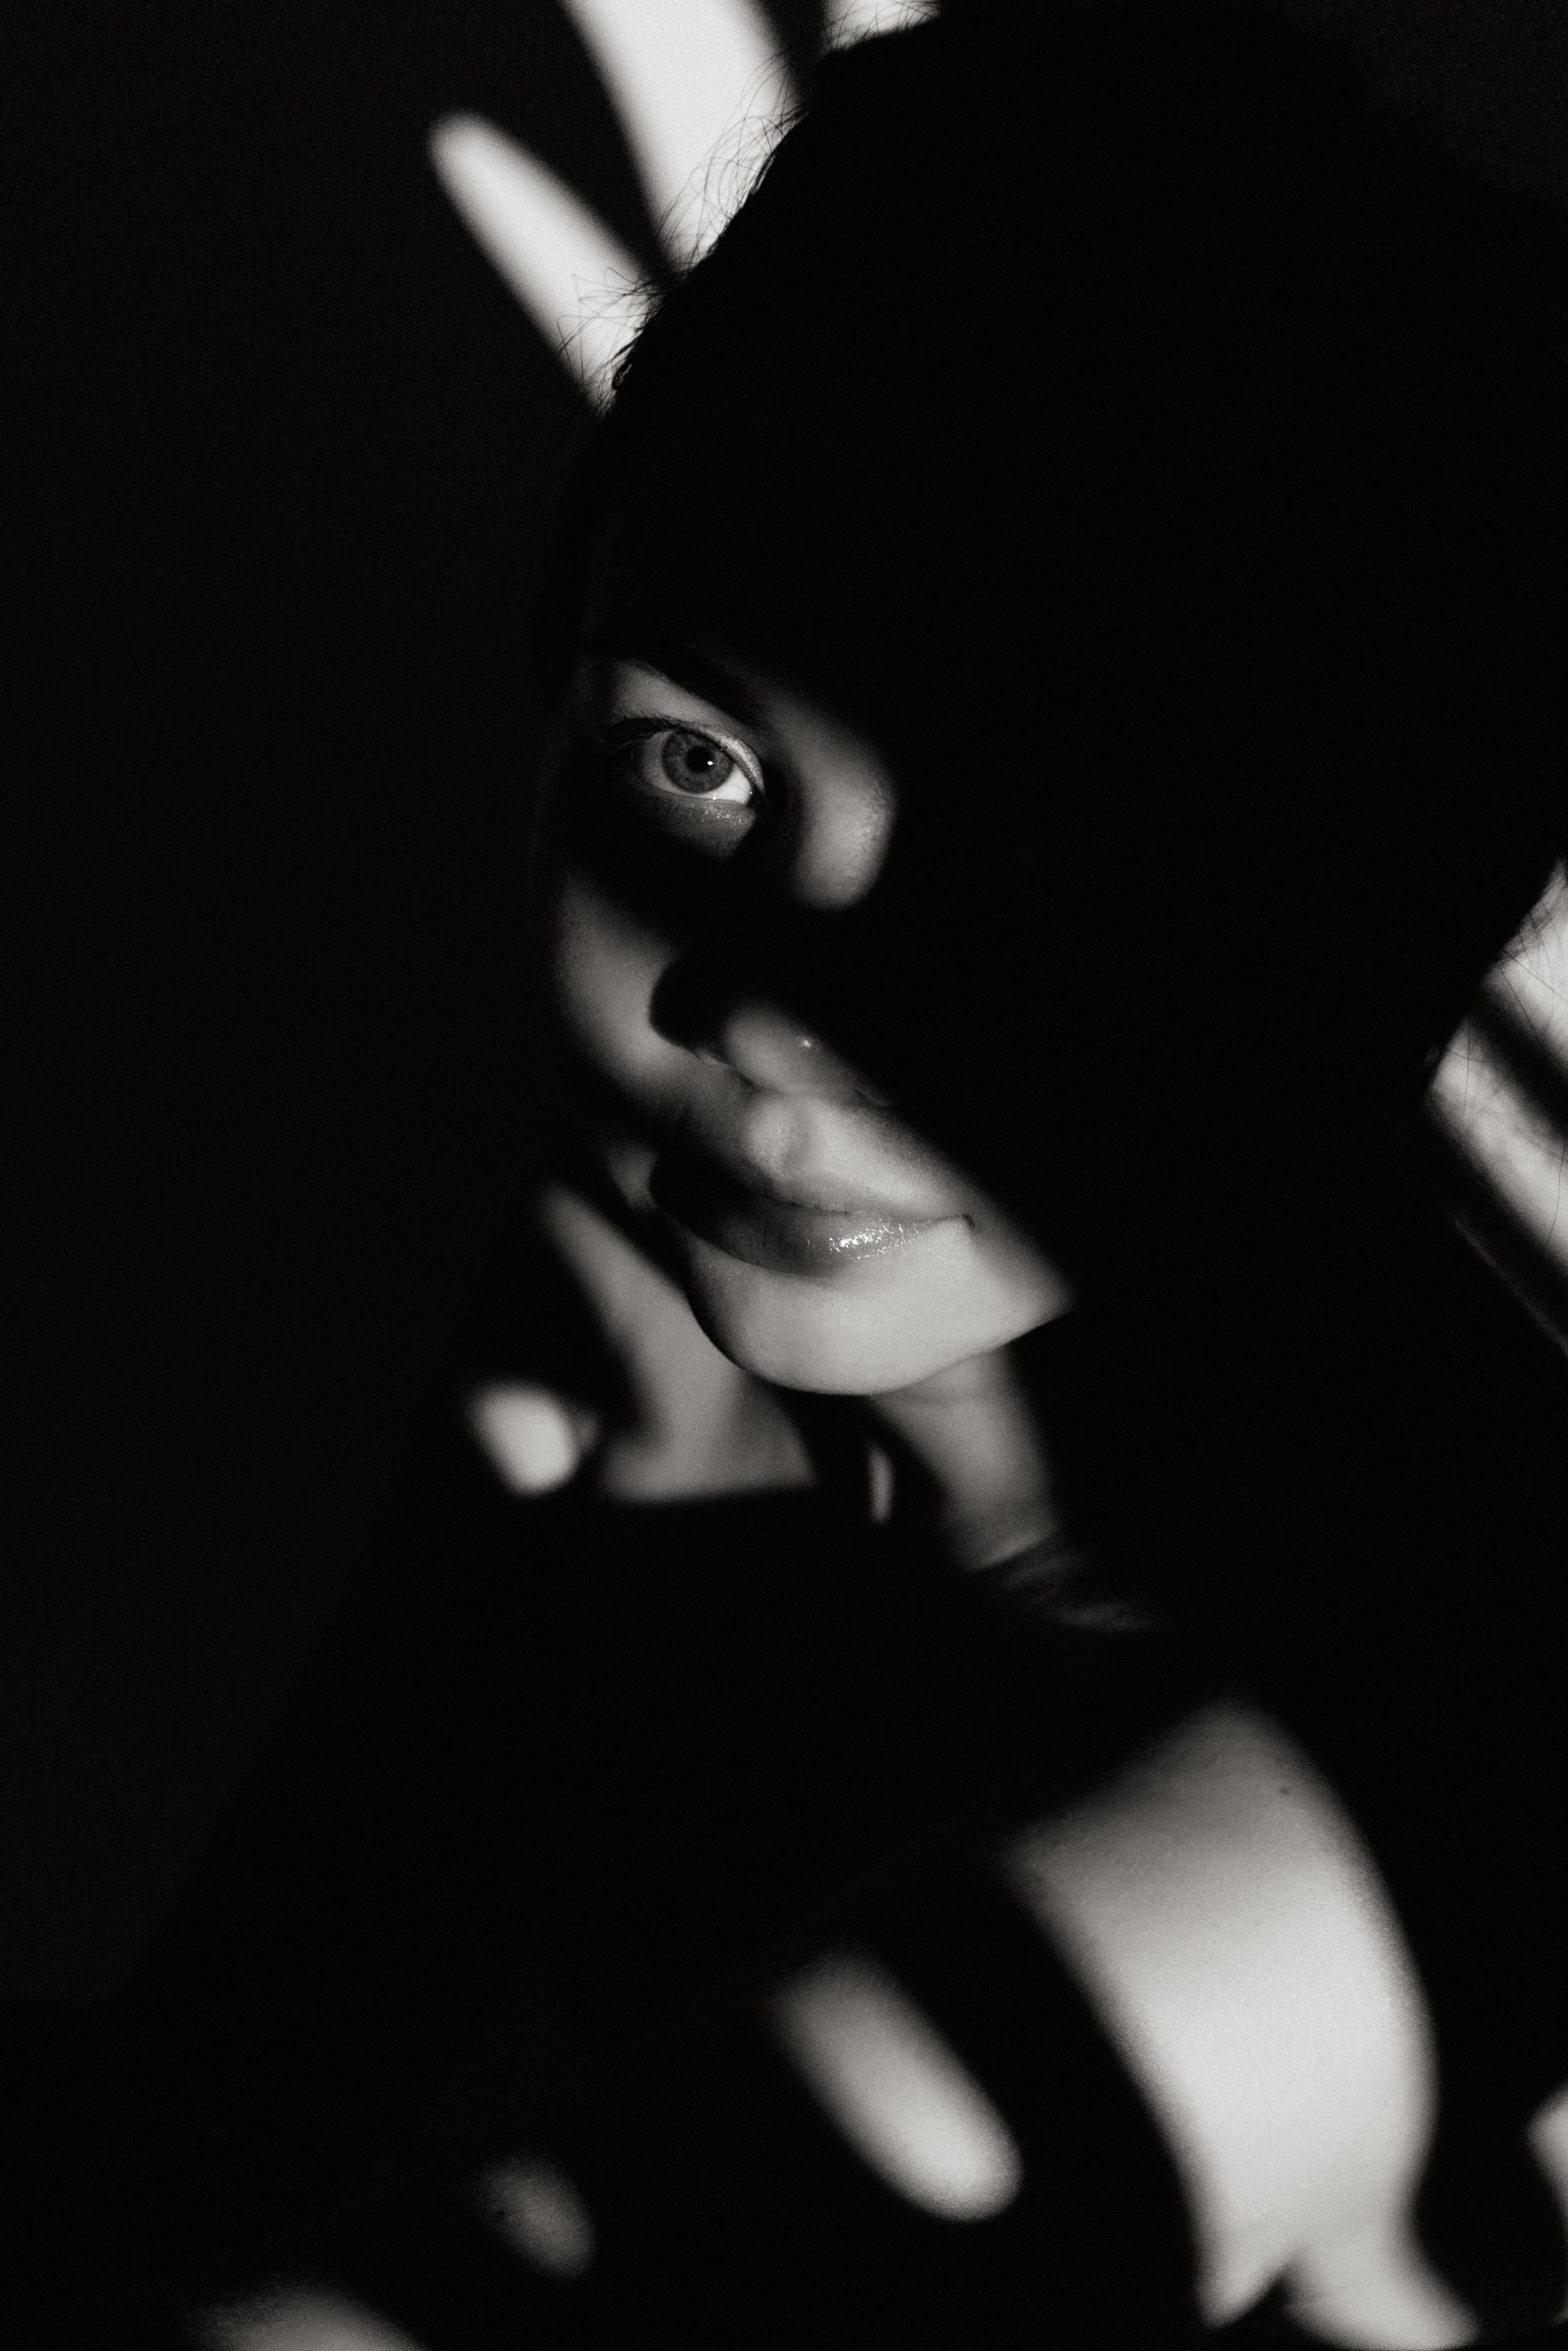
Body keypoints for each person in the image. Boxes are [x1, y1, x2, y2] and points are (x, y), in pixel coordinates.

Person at [6, 3, 1568, 2344]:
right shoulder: (644, 1304)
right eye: (697, 763)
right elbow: (233, 2096)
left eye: (1052, 852)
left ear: (1410, 909)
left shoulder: (1479, 1693)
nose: (771, 1015)